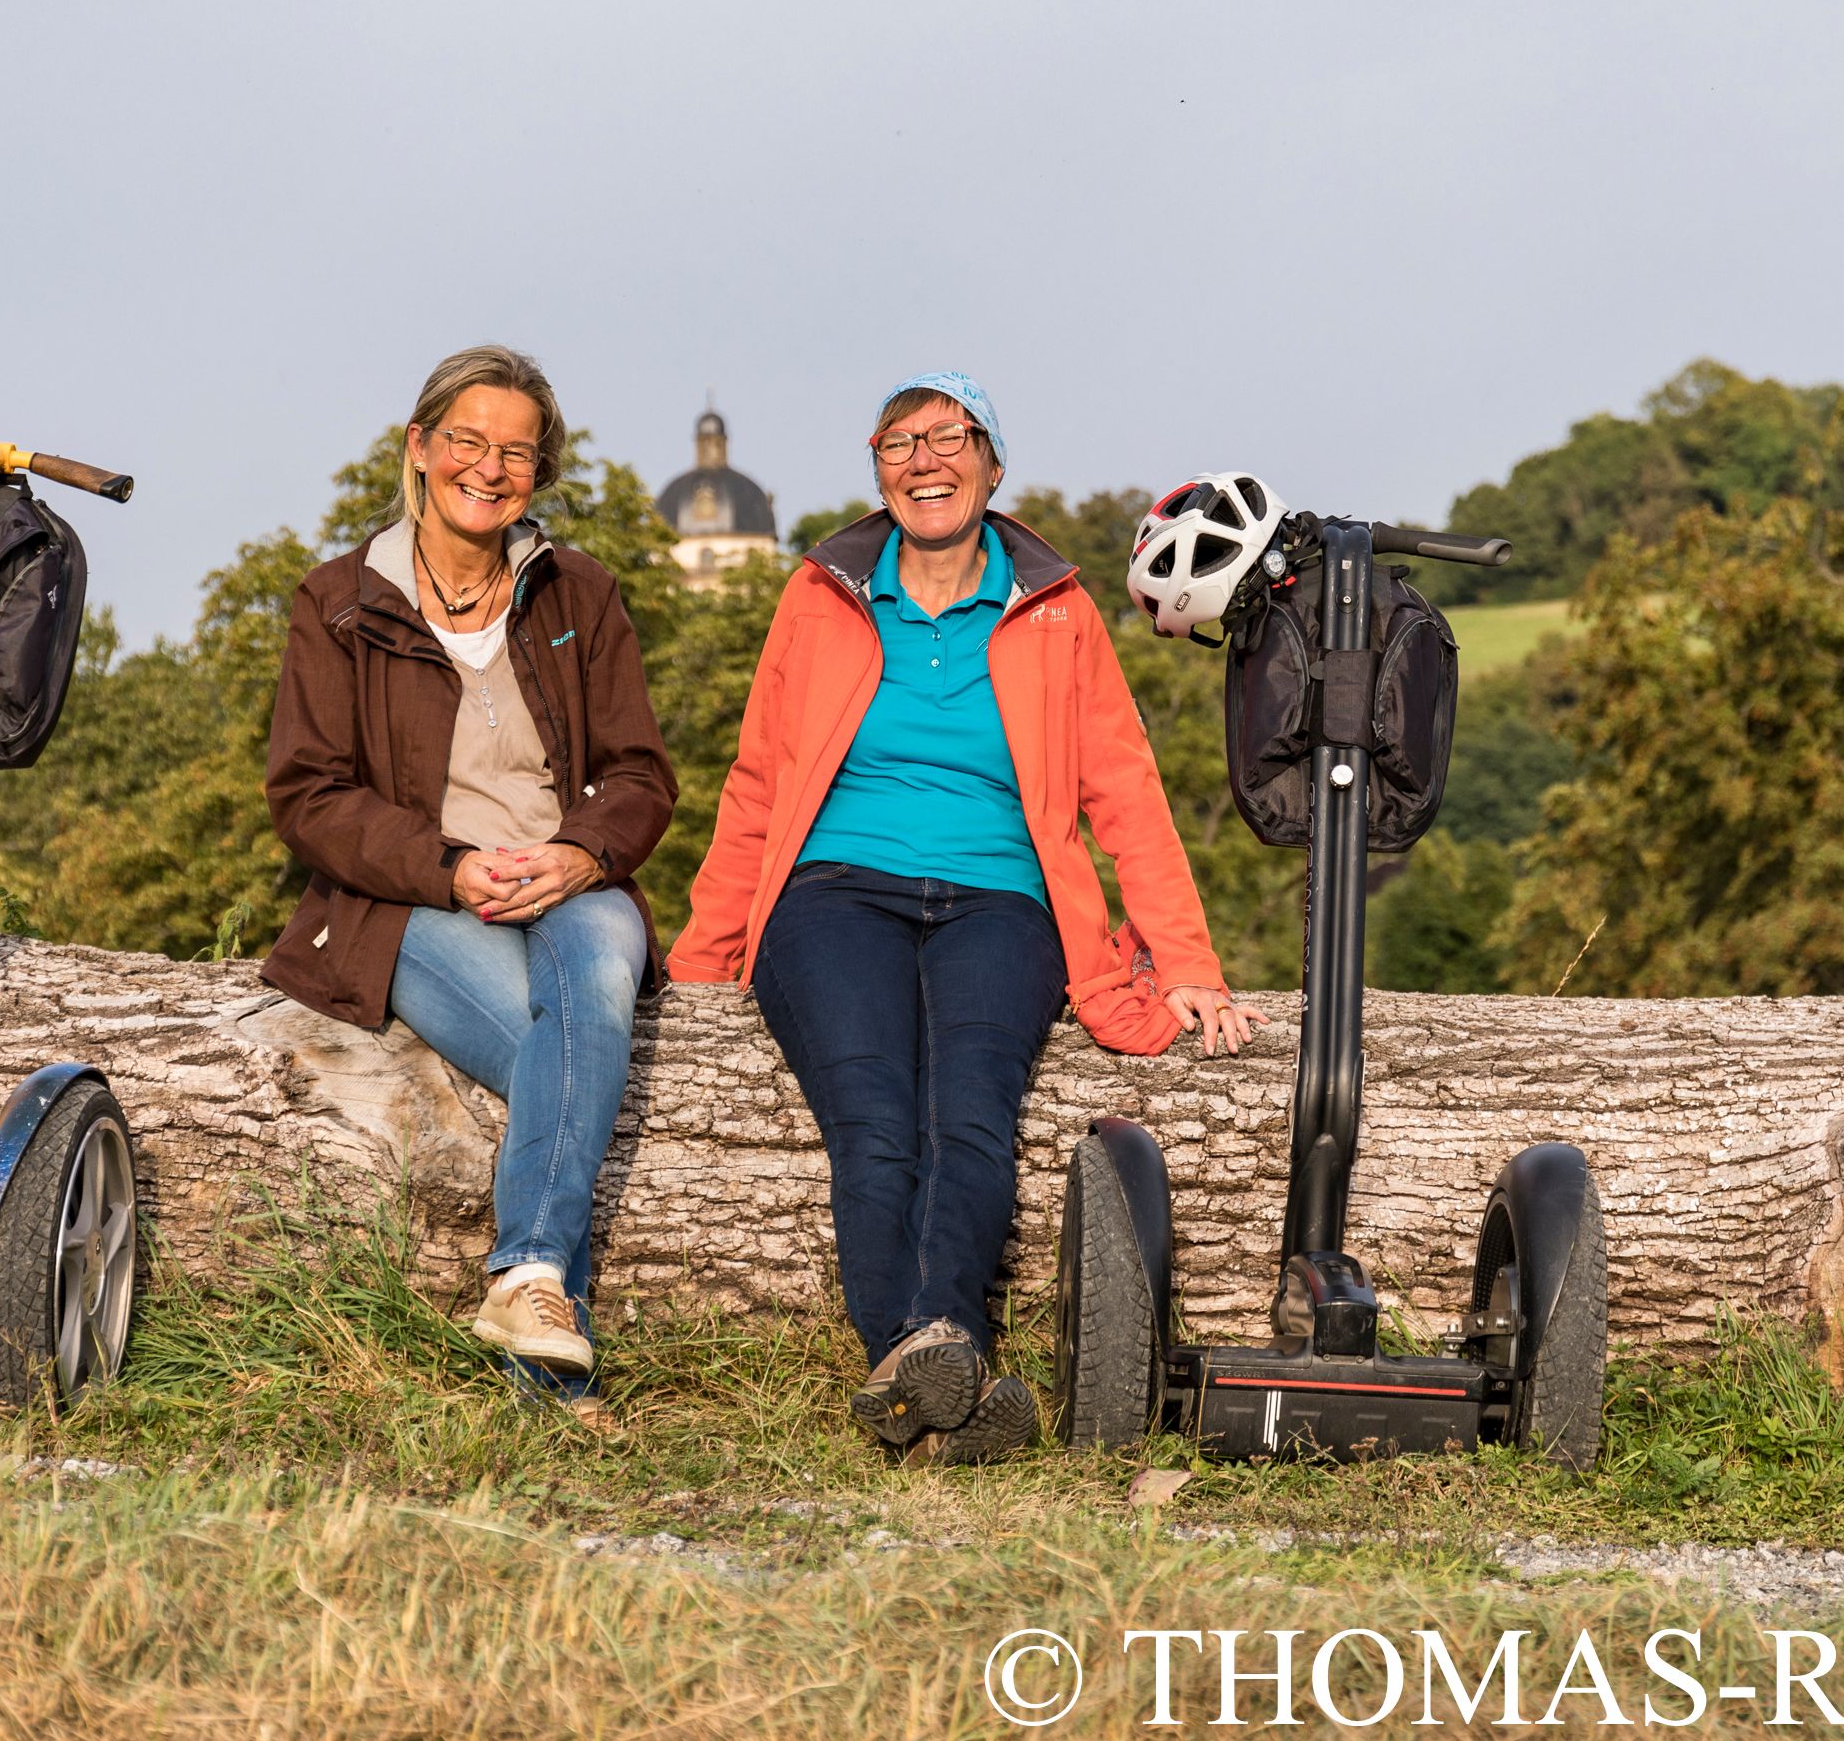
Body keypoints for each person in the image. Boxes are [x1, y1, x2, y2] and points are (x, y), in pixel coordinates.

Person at [671, 370, 1263, 1463]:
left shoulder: (1055, 608)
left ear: (992, 466)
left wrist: (1182, 955)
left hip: (1003, 897)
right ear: (876, 467)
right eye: (899, 441)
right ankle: (940, 1359)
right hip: (834, 890)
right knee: (873, 1120)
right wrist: (704, 958)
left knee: (970, 1114)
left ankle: (919, 1364)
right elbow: (757, 779)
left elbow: (1122, 788)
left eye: (950, 437)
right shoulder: (820, 592)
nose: (924, 459)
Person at [263, 345, 678, 1398]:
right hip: (414, 900)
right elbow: (307, 794)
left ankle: (525, 1279)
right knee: (575, 1055)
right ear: (418, 447)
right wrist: (448, 869)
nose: (488, 469)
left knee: (589, 994)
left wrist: (580, 851)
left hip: (574, 884)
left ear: (538, 473)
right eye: (466, 442)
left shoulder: (580, 589)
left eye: (516, 453)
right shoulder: (338, 599)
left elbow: (639, 771)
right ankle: (552, 1379)